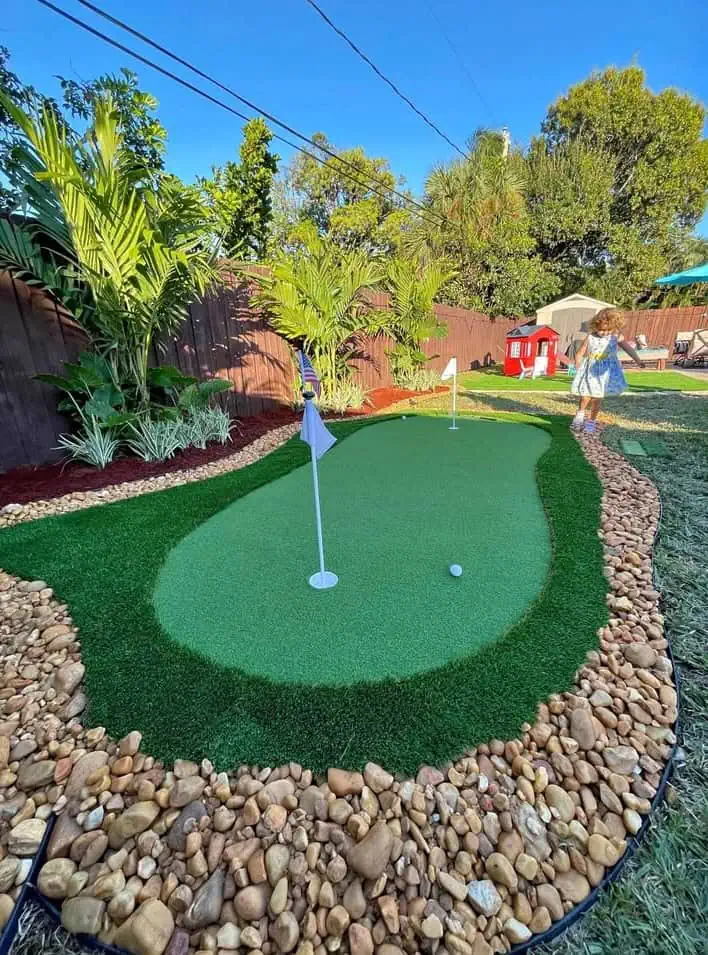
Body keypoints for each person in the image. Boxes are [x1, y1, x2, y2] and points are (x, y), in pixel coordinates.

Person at [571, 309, 645, 434]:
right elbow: (580, 353)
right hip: (590, 370)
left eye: (607, 330)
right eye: (601, 330)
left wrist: (638, 360)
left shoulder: (616, 337)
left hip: (604, 373)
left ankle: (591, 422)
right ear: (595, 326)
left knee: (597, 398)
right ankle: (579, 415)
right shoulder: (590, 337)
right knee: (585, 396)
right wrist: (578, 364)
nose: (604, 333)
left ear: (614, 327)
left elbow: (628, 349)